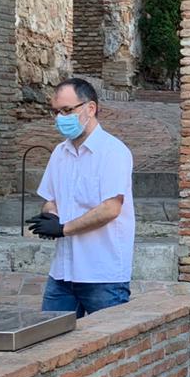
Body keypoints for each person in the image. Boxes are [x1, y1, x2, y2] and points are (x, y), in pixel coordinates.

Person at [28, 77, 136, 317]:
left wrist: (64, 229)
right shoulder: (60, 152)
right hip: (63, 272)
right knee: (49, 341)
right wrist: (51, 217)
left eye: (67, 110)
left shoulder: (113, 152)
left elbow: (110, 208)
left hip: (101, 272)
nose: (60, 118)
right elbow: (50, 198)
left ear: (90, 108)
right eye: (55, 112)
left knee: (111, 346)